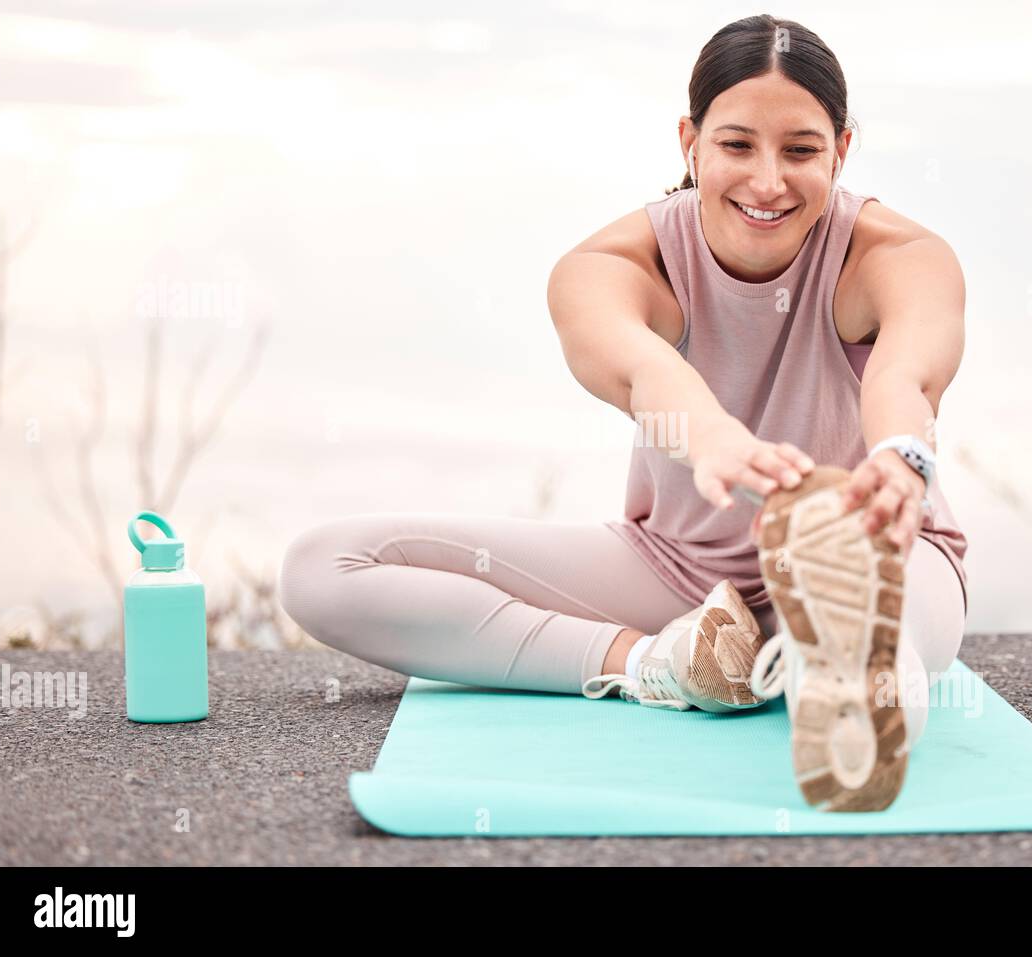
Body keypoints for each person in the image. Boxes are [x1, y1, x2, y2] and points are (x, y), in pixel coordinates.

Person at [278, 14, 968, 811]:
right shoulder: (612, 262)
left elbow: (906, 374)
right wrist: (710, 436)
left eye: (802, 150)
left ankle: (838, 662)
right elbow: (639, 371)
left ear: (842, 150)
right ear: (691, 140)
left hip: (877, 549)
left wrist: (898, 458)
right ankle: (662, 664)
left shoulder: (898, 255)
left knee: (875, 666)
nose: (770, 180)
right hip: (681, 573)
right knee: (322, 568)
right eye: (738, 145)